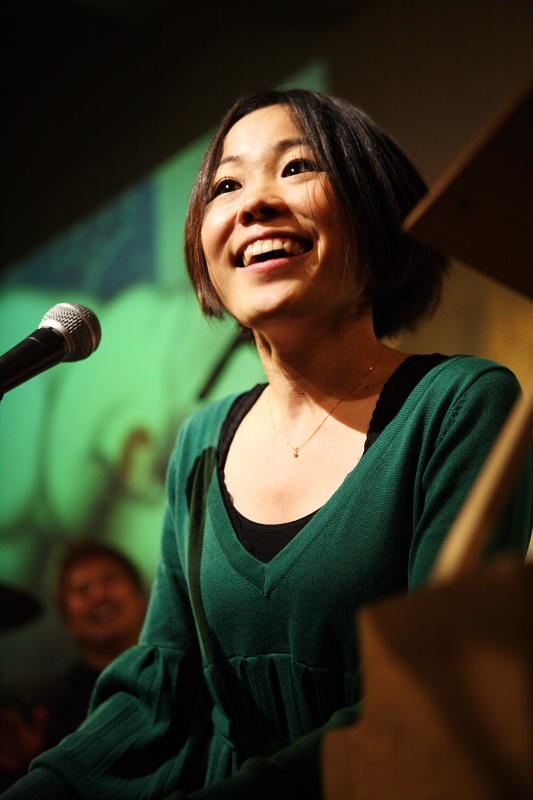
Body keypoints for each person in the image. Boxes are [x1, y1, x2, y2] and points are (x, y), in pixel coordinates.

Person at [2, 88, 531, 800]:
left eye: (296, 167)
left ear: (373, 208)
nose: (253, 203)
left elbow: (433, 690)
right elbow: (158, 694)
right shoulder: (200, 441)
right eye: (226, 185)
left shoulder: (459, 404)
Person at [0, 541, 148, 790]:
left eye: (109, 580)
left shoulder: (185, 674)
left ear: (142, 599)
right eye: (82, 590)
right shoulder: (46, 711)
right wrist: (24, 766)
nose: (99, 595)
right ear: (68, 621)